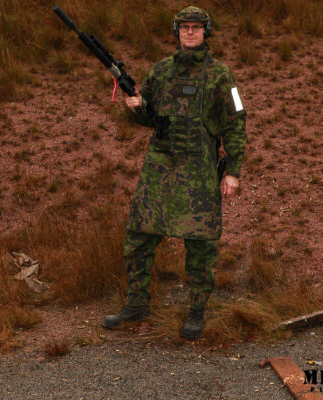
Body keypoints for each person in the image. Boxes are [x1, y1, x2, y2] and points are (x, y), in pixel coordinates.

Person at [102, 6, 246, 340]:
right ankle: (136, 305)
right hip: (159, 170)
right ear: (176, 32)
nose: (190, 32)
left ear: (205, 32)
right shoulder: (160, 71)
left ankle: (196, 312)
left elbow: (236, 122)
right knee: (138, 238)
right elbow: (150, 117)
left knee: (200, 246)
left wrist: (232, 170)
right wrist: (137, 108)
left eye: (196, 27)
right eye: (184, 27)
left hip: (199, 172)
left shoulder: (222, 75)